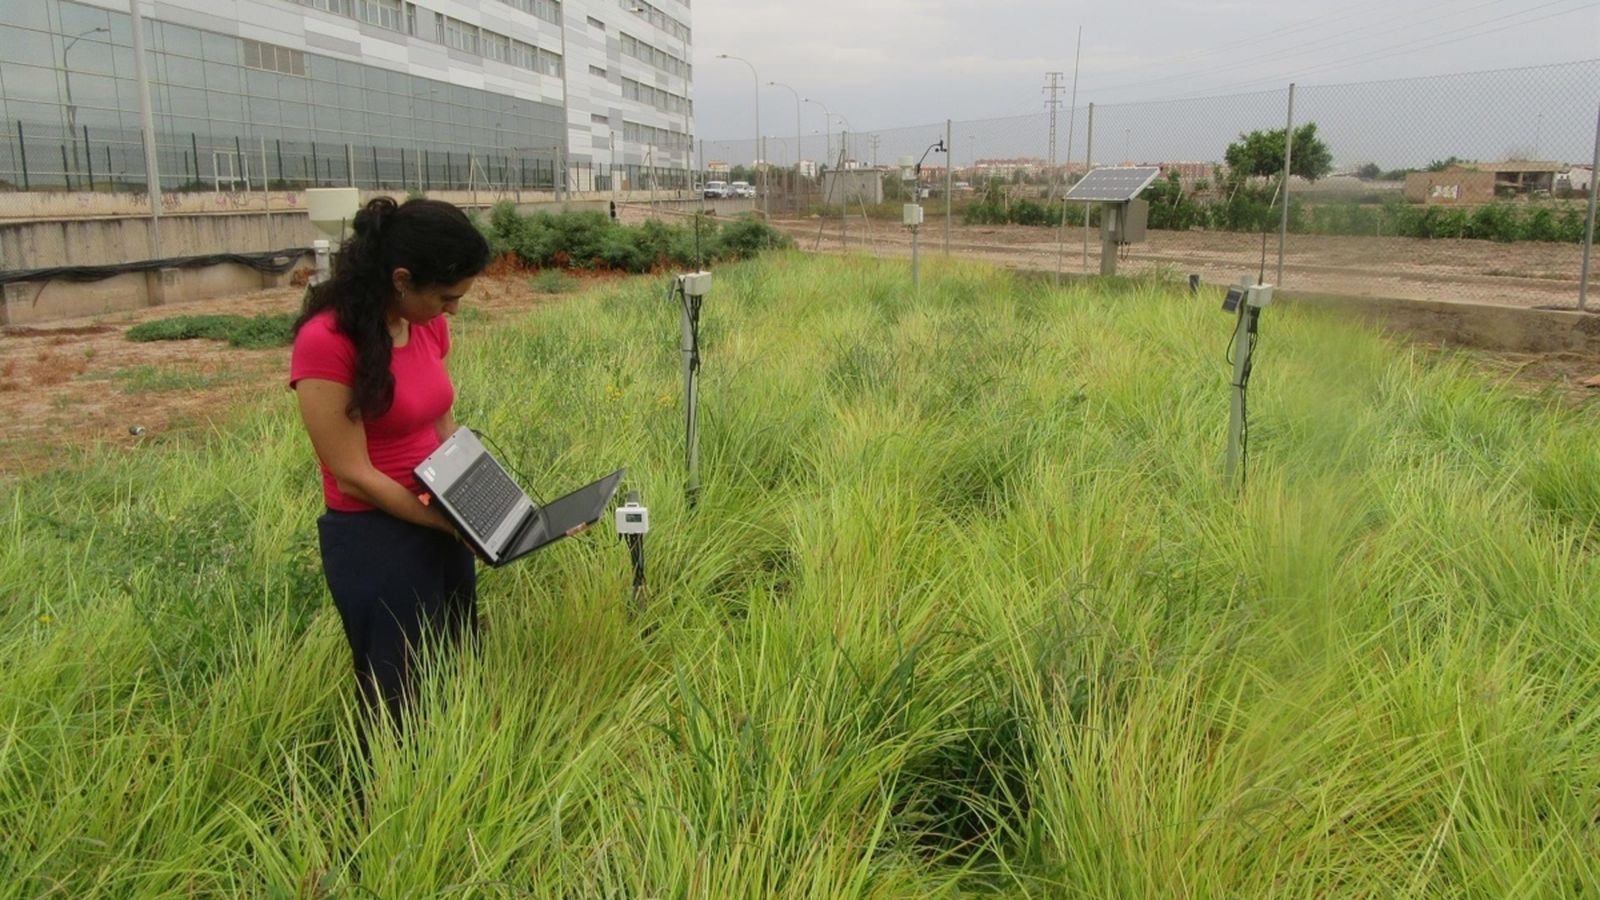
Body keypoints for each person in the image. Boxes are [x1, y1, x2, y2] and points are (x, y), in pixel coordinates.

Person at [288, 196, 492, 749]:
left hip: (438, 521)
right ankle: (380, 811)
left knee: (455, 666)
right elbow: (354, 475)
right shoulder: (326, 343)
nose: (453, 311)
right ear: (402, 279)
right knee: (396, 699)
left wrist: (493, 510)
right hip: (376, 541)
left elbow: (443, 425)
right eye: (446, 297)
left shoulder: (422, 326)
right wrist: (452, 525)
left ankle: (453, 791)